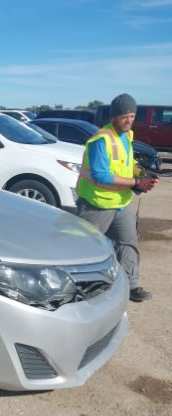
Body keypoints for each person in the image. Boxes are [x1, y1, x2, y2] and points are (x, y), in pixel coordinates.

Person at [75, 93, 159, 302]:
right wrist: (135, 183)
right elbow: (101, 175)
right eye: (125, 117)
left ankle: (130, 286)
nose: (129, 121)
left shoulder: (127, 136)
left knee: (128, 243)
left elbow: (125, 165)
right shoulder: (100, 140)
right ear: (114, 117)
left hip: (121, 204)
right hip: (96, 205)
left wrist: (141, 174)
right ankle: (82, 288)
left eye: (132, 116)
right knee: (87, 248)